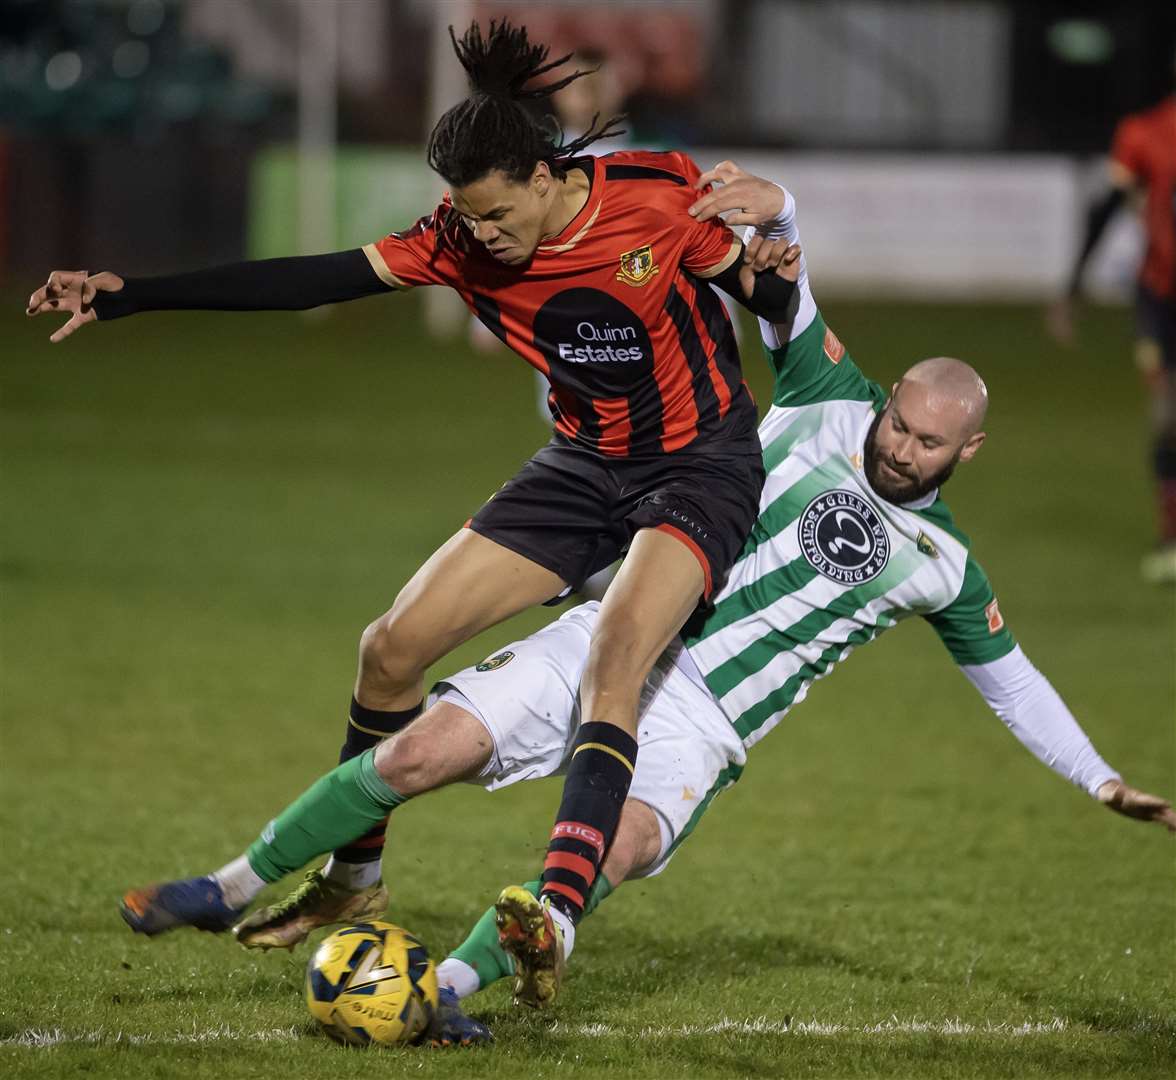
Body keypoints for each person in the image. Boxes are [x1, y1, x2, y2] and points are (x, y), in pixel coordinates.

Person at [118, 166, 1175, 1043]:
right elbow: (783, 279)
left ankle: (445, 996)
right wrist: (788, 211)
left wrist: (1100, 777)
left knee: (605, 854)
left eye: (927, 443)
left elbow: (1012, 682)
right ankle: (233, 881)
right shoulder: (823, 398)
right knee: (413, 754)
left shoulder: (944, 563)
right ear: (889, 396)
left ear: (967, 453)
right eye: (900, 422)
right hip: (621, 620)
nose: (900, 447)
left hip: (704, 727)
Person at [28, 22, 801, 944]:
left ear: (545, 176)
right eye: (466, 216)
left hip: (700, 465)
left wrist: (776, 251)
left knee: (617, 658)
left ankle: (554, 918)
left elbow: (771, 300)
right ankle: (353, 881)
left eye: (496, 214)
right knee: (392, 647)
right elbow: (311, 281)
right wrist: (134, 296)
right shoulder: (455, 242)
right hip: (583, 464)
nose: (480, 234)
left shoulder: (658, 198)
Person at [1047, 55, 1176, 583]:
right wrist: (1073, 289)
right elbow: (1106, 210)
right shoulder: (1143, 134)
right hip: (1160, 300)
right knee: (1167, 415)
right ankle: (1171, 538)